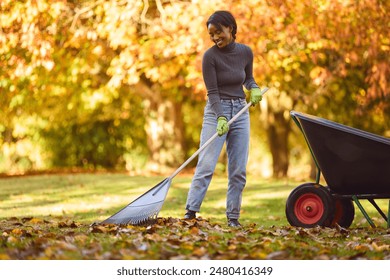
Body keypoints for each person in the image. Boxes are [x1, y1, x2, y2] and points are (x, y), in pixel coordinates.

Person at [184, 11, 264, 227]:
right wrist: (220, 117)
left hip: (240, 112)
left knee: (238, 169)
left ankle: (233, 218)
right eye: (211, 34)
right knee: (207, 165)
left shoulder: (246, 52)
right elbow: (213, 91)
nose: (215, 37)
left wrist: (254, 88)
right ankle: (190, 213)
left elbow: (248, 79)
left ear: (231, 28)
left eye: (218, 32)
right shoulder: (210, 57)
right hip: (215, 111)